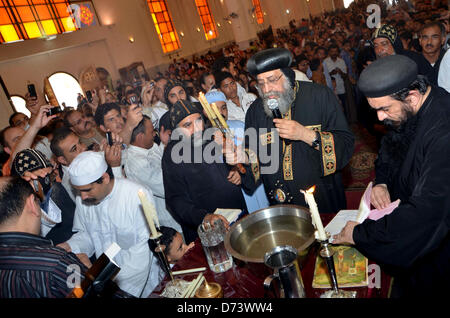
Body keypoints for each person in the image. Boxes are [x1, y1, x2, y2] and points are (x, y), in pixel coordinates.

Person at [334, 55, 450, 297]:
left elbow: (426, 215)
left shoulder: (443, 131)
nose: (380, 117)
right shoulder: (410, 109)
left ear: (412, 97)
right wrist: (381, 182)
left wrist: (359, 234)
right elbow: (390, 147)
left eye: (384, 109)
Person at [225, 48, 354, 214]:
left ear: (287, 76)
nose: (266, 90)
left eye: (271, 80)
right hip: (281, 204)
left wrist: (305, 135)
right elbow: (256, 156)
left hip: (322, 198)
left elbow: (345, 144)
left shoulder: (320, 96)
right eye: (261, 83)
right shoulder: (255, 111)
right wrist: (243, 160)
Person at [57, 151, 164, 297]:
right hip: (105, 281)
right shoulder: (84, 200)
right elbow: (87, 234)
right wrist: (71, 246)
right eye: (78, 191)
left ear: (105, 178)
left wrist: (109, 284)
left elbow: (143, 252)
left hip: (140, 284)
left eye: (87, 190)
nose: (83, 197)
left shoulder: (136, 195)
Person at [161, 99, 246, 244]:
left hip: (237, 215)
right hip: (209, 230)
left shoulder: (212, 136)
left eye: (199, 120)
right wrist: (204, 217)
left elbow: (229, 163)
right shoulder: (171, 156)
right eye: (188, 125)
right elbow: (175, 200)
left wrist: (236, 171)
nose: (197, 128)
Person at [204, 90, 269, 213]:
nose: (221, 113)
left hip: (255, 183)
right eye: (215, 109)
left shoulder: (241, 126)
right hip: (234, 193)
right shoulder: (206, 139)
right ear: (207, 113)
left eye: (223, 108)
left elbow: (257, 153)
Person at [123, 115, 182, 234]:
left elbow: (158, 159)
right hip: (168, 218)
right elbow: (165, 185)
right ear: (140, 137)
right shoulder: (137, 164)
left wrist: (164, 144)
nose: (154, 134)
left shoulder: (149, 146)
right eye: (151, 132)